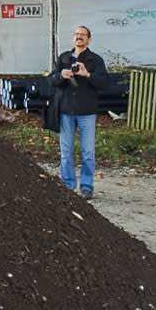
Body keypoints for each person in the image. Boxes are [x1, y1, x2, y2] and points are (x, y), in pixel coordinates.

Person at [49, 25, 109, 199]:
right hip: (66, 111)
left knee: (88, 152)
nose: (79, 37)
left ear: (89, 39)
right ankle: (68, 185)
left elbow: (104, 83)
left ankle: (86, 187)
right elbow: (51, 80)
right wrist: (62, 75)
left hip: (87, 112)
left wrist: (87, 74)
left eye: (83, 35)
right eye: (76, 34)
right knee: (66, 152)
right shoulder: (63, 58)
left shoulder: (95, 60)